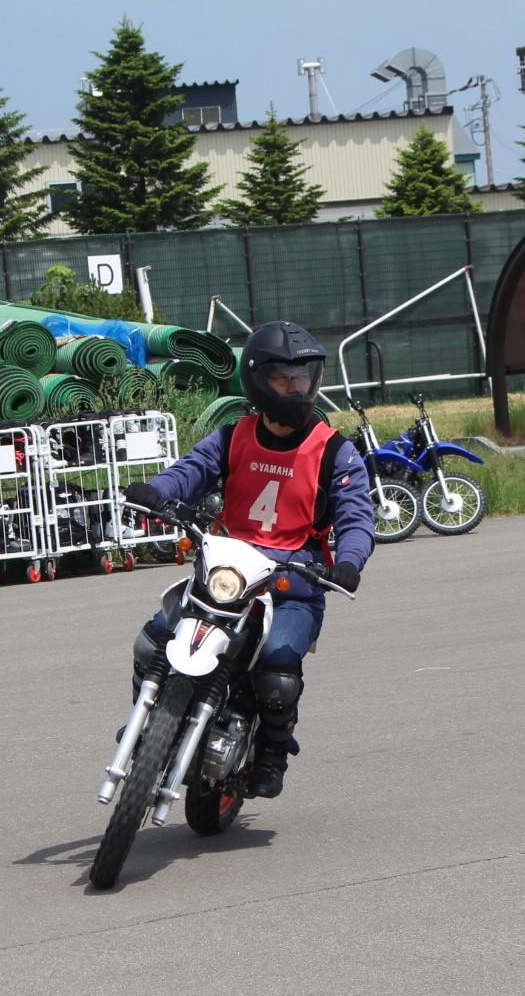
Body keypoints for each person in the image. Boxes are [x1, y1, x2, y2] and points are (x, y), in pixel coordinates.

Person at [123, 320, 375, 798]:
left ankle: (274, 751)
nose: (297, 388)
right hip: (227, 569)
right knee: (151, 641)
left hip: (293, 582)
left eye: (304, 377)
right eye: (284, 378)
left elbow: (357, 518)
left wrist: (350, 561)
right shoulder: (231, 437)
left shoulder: (336, 453)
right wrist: (155, 492)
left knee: (277, 673)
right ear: (258, 380)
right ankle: (148, 721)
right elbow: (190, 471)